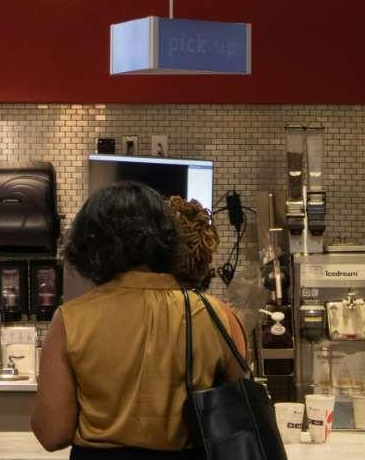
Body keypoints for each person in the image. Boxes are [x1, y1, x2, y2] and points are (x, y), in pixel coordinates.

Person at [32, 182, 247, 459]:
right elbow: (240, 417)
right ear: (168, 239)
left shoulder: (71, 319)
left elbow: (52, 433)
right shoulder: (216, 315)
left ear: (90, 246)